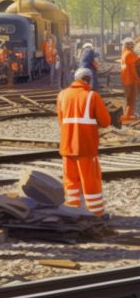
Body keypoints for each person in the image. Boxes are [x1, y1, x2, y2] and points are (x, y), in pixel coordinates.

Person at [57, 68, 112, 217]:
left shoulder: (62, 95)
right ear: (88, 79)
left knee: (71, 183)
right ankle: (95, 214)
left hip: (67, 147)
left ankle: (72, 211)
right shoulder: (92, 96)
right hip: (85, 148)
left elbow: (61, 121)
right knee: (90, 182)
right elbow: (106, 121)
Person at [120, 37, 139, 123]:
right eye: (131, 44)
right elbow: (132, 69)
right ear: (128, 45)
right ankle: (128, 115)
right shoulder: (129, 54)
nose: (133, 46)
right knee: (132, 98)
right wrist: (137, 78)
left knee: (128, 98)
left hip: (125, 79)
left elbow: (135, 60)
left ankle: (128, 114)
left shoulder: (124, 53)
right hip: (131, 79)